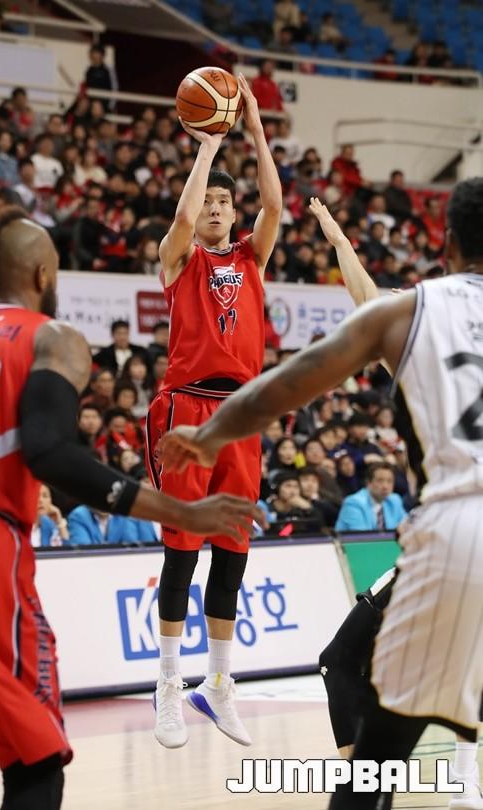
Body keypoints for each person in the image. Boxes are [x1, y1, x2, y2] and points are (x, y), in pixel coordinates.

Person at [160, 177, 483, 809]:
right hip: (453, 538)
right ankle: (464, 781)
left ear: (445, 244)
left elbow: (291, 382)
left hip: (455, 532)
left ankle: (458, 782)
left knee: (361, 696)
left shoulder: (414, 310)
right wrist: (336, 239)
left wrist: (212, 433)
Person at [0, 207, 264, 810]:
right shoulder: (51, 337)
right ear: (45, 275)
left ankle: (208, 686)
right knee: (36, 764)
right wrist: (178, 511)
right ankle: (173, 685)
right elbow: (49, 453)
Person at [146, 73, 282, 751]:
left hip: (241, 414)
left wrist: (252, 127)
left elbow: (275, 204)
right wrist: (207, 144)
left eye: (225, 202)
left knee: (232, 552)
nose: (217, 209)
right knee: (182, 551)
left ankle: (218, 684)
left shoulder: (252, 256)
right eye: (209, 202)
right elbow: (178, 222)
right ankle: (168, 683)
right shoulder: (179, 258)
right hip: (186, 411)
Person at [335, 461, 407, 531]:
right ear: (368, 483)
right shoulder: (353, 503)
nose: (385, 486)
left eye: (389, 481)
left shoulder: (394, 500)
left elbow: (407, 528)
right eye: (380, 480)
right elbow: (362, 537)